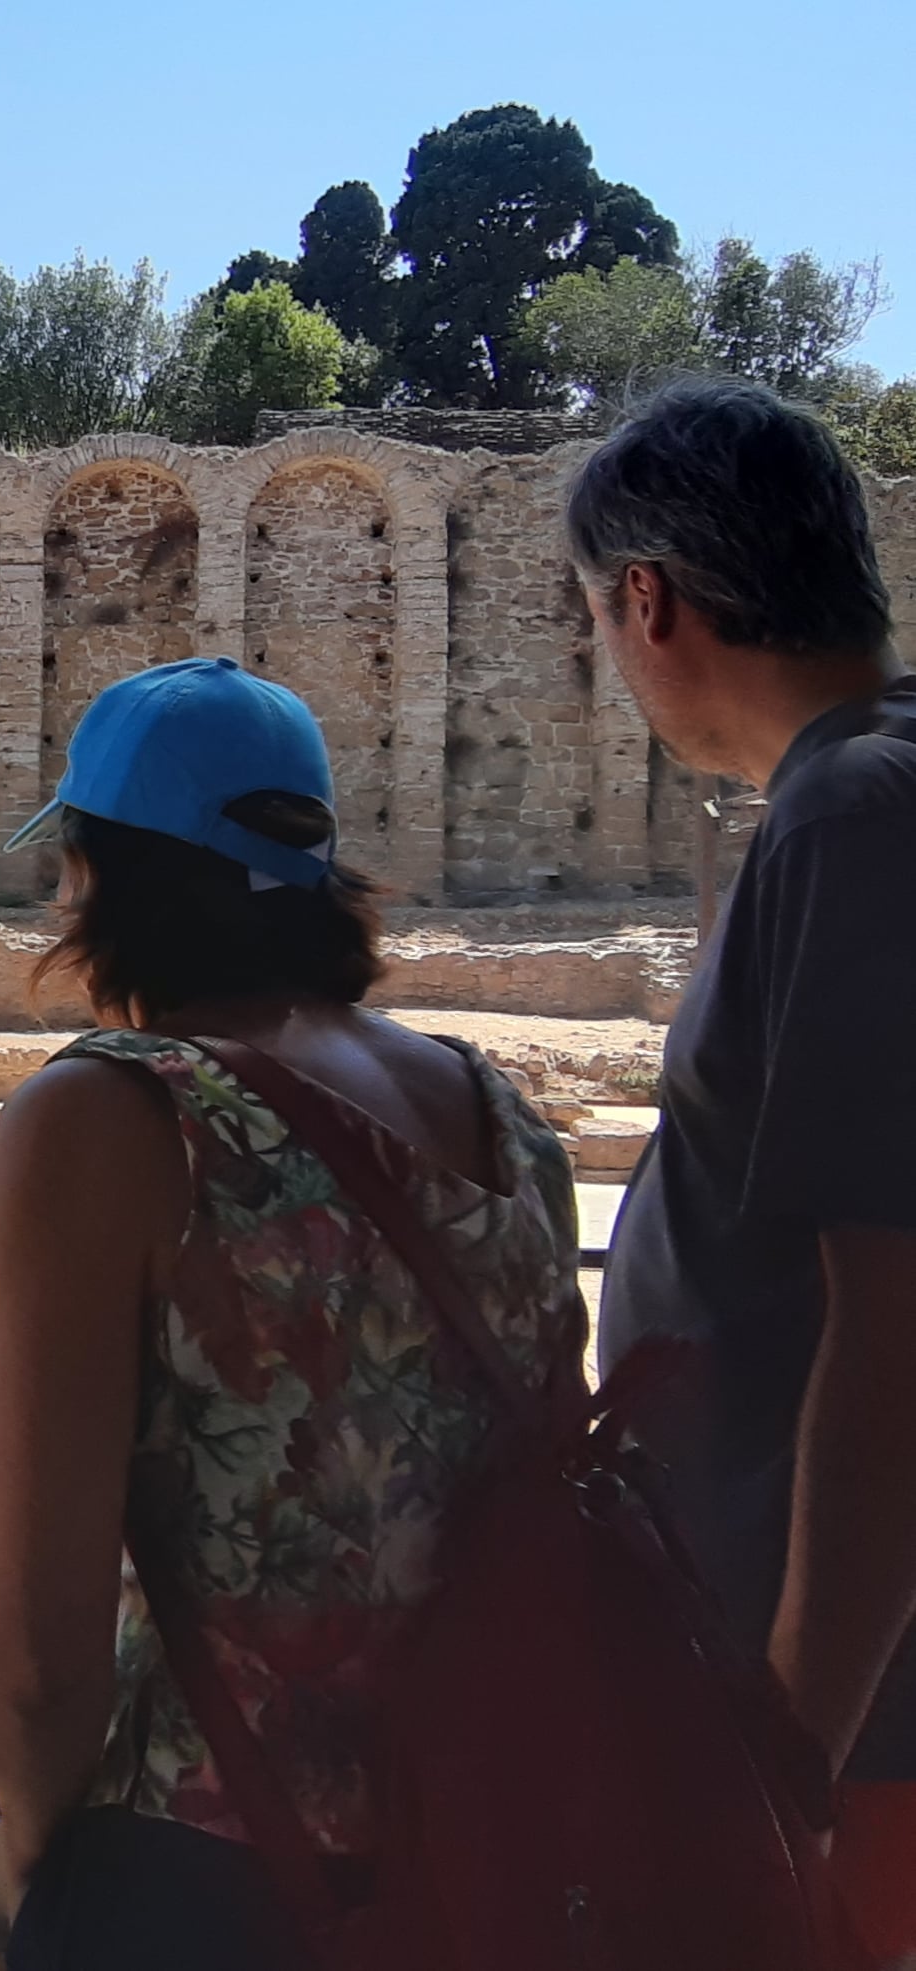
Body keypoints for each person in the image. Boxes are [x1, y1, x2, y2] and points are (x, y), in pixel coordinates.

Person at [0, 657, 582, 1964]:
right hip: (486, 1844)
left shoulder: (111, 1116)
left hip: (210, 1864)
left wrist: (53, 1886)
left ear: (108, 871)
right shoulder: (505, 1114)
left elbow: (37, 1644)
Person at [573, 380, 916, 1964]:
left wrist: (790, 1746)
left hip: (842, 1724)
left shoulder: (852, 812)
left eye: (598, 615)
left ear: (649, 599)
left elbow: (895, 1322)